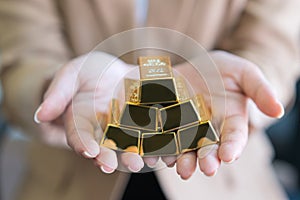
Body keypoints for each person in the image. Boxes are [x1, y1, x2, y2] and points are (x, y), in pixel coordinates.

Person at [0, 0, 299, 199]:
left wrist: (251, 84)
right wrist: (55, 88)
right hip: (68, 181)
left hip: (227, 179)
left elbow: (275, 44)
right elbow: (23, 55)